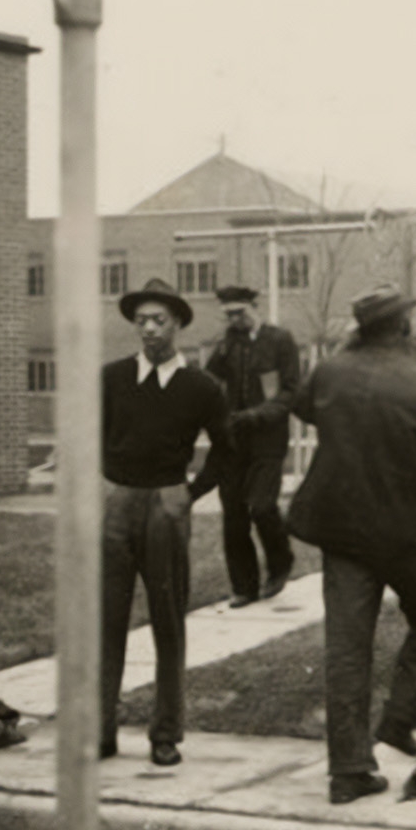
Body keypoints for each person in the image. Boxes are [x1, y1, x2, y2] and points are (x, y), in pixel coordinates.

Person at [287, 285, 416, 805]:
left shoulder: (329, 370)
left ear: (359, 327)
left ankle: (349, 772)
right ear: (405, 326)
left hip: (343, 530)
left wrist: (345, 354)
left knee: (347, 647)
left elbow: (305, 408)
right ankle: (399, 721)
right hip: (408, 531)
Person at [100, 278, 231, 767]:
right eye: (142, 321)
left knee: (168, 618)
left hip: (167, 504)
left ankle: (166, 732)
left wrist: (189, 493)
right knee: (105, 617)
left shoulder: (201, 387)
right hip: (117, 502)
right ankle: (100, 729)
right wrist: (106, 484)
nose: (150, 329)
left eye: (159, 320)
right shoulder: (111, 378)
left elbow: (226, 448)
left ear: (177, 324)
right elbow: (89, 434)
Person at [203, 285, 300, 607]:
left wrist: (258, 415)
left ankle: (280, 563)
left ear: (254, 308)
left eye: (239, 313)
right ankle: (244, 587)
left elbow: (290, 391)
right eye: (229, 315)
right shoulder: (227, 343)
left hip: (267, 440)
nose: (235, 320)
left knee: (261, 506)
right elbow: (209, 382)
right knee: (233, 515)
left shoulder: (279, 340)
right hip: (233, 442)